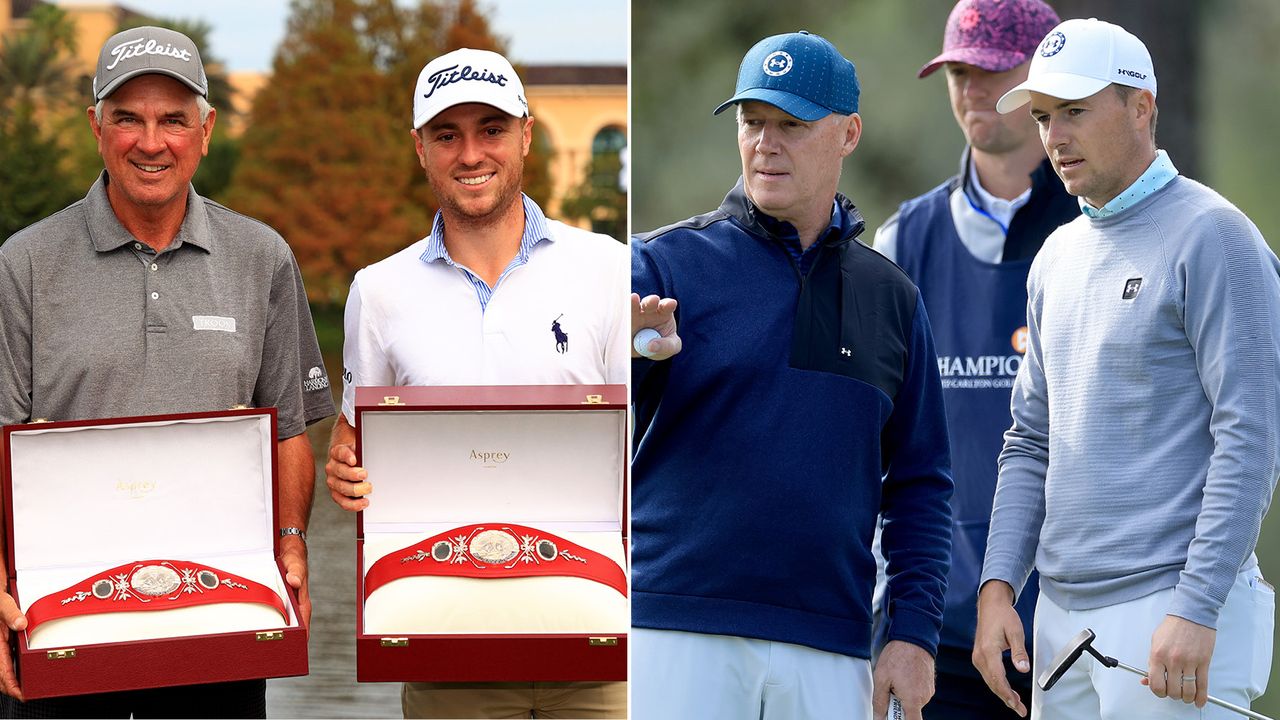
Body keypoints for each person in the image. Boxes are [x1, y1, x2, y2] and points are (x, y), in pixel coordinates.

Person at [0, 26, 332, 718]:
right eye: (128, 118)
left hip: (223, 618)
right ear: (97, 127)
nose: (151, 142)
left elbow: (289, 432)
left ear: (205, 130)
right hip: (63, 619)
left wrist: (292, 542)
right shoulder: (24, 265)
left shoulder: (261, 257)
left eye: (173, 120)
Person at [630, 31, 954, 720]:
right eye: (752, 122)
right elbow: (583, 418)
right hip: (676, 629)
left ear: (848, 133)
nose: (765, 143)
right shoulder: (659, 268)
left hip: (832, 644)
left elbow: (922, 484)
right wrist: (631, 359)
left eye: (792, 126)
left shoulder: (893, 297)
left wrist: (912, 635)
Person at [974, 18, 1279, 720]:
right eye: (1046, 117)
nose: (1055, 137)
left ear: (1142, 107)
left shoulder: (1215, 235)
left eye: (1075, 111)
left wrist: (1197, 606)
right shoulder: (1056, 255)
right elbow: (1030, 441)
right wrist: (998, 588)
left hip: (1175, 612)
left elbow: (1251, 436)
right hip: (1062, 619)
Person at [324, 48, 628, 719]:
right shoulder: (378, 292)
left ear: (526, 134)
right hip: (446, 645)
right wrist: (344, 467)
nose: (470, 153)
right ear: (419, 149)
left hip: (593, 641)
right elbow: (355, 438)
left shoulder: (609, 267)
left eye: (490, 129)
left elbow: (636, 449)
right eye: (446, 134)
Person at [870, 1, 1075, 717]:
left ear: (1045, 79)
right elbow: (876, 436)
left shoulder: (1100, 230)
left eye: (993, 68)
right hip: (939, 635)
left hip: (1083, 631)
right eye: (959, 69)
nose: (972, 88)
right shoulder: (904, 241)